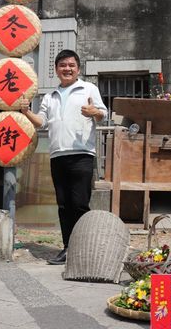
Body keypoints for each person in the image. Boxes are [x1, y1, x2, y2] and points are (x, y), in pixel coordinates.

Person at [20, 49, 107, 265]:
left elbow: (103, 114)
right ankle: (68, 247)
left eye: (71, 65)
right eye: (63, 65)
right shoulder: (50, 96)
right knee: (63, 205)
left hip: (82, 154)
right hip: (58, 155)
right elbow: (42, 122)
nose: (67, 69)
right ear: (56, 69)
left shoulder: (88, 88)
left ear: (78, 69)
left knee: (79, 203)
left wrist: (93, 112)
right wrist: (26, 112)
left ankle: (83, 248)